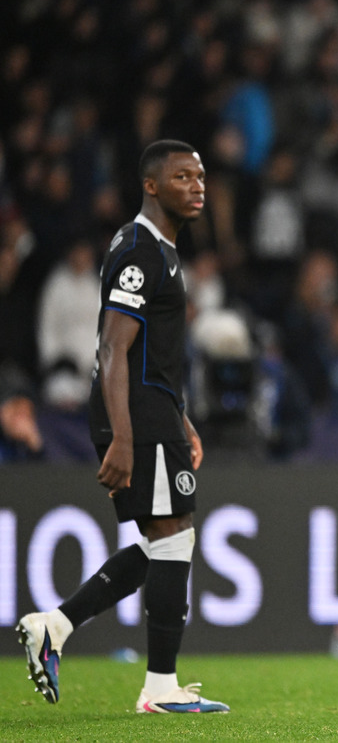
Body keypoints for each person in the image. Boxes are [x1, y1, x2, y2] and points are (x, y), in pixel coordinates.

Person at [16, 140, 229, 713]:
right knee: (175, 535)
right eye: (182, 177)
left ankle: (54, 628)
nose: (197, 186)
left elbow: (149, 356)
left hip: (154, 410)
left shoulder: (160, 249)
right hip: (134, 415)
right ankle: (159, 687)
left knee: (165, 541)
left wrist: (180, 418)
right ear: (151, 186)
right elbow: (112, 349)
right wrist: (126, 437)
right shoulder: (139, 249)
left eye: (201, 176)